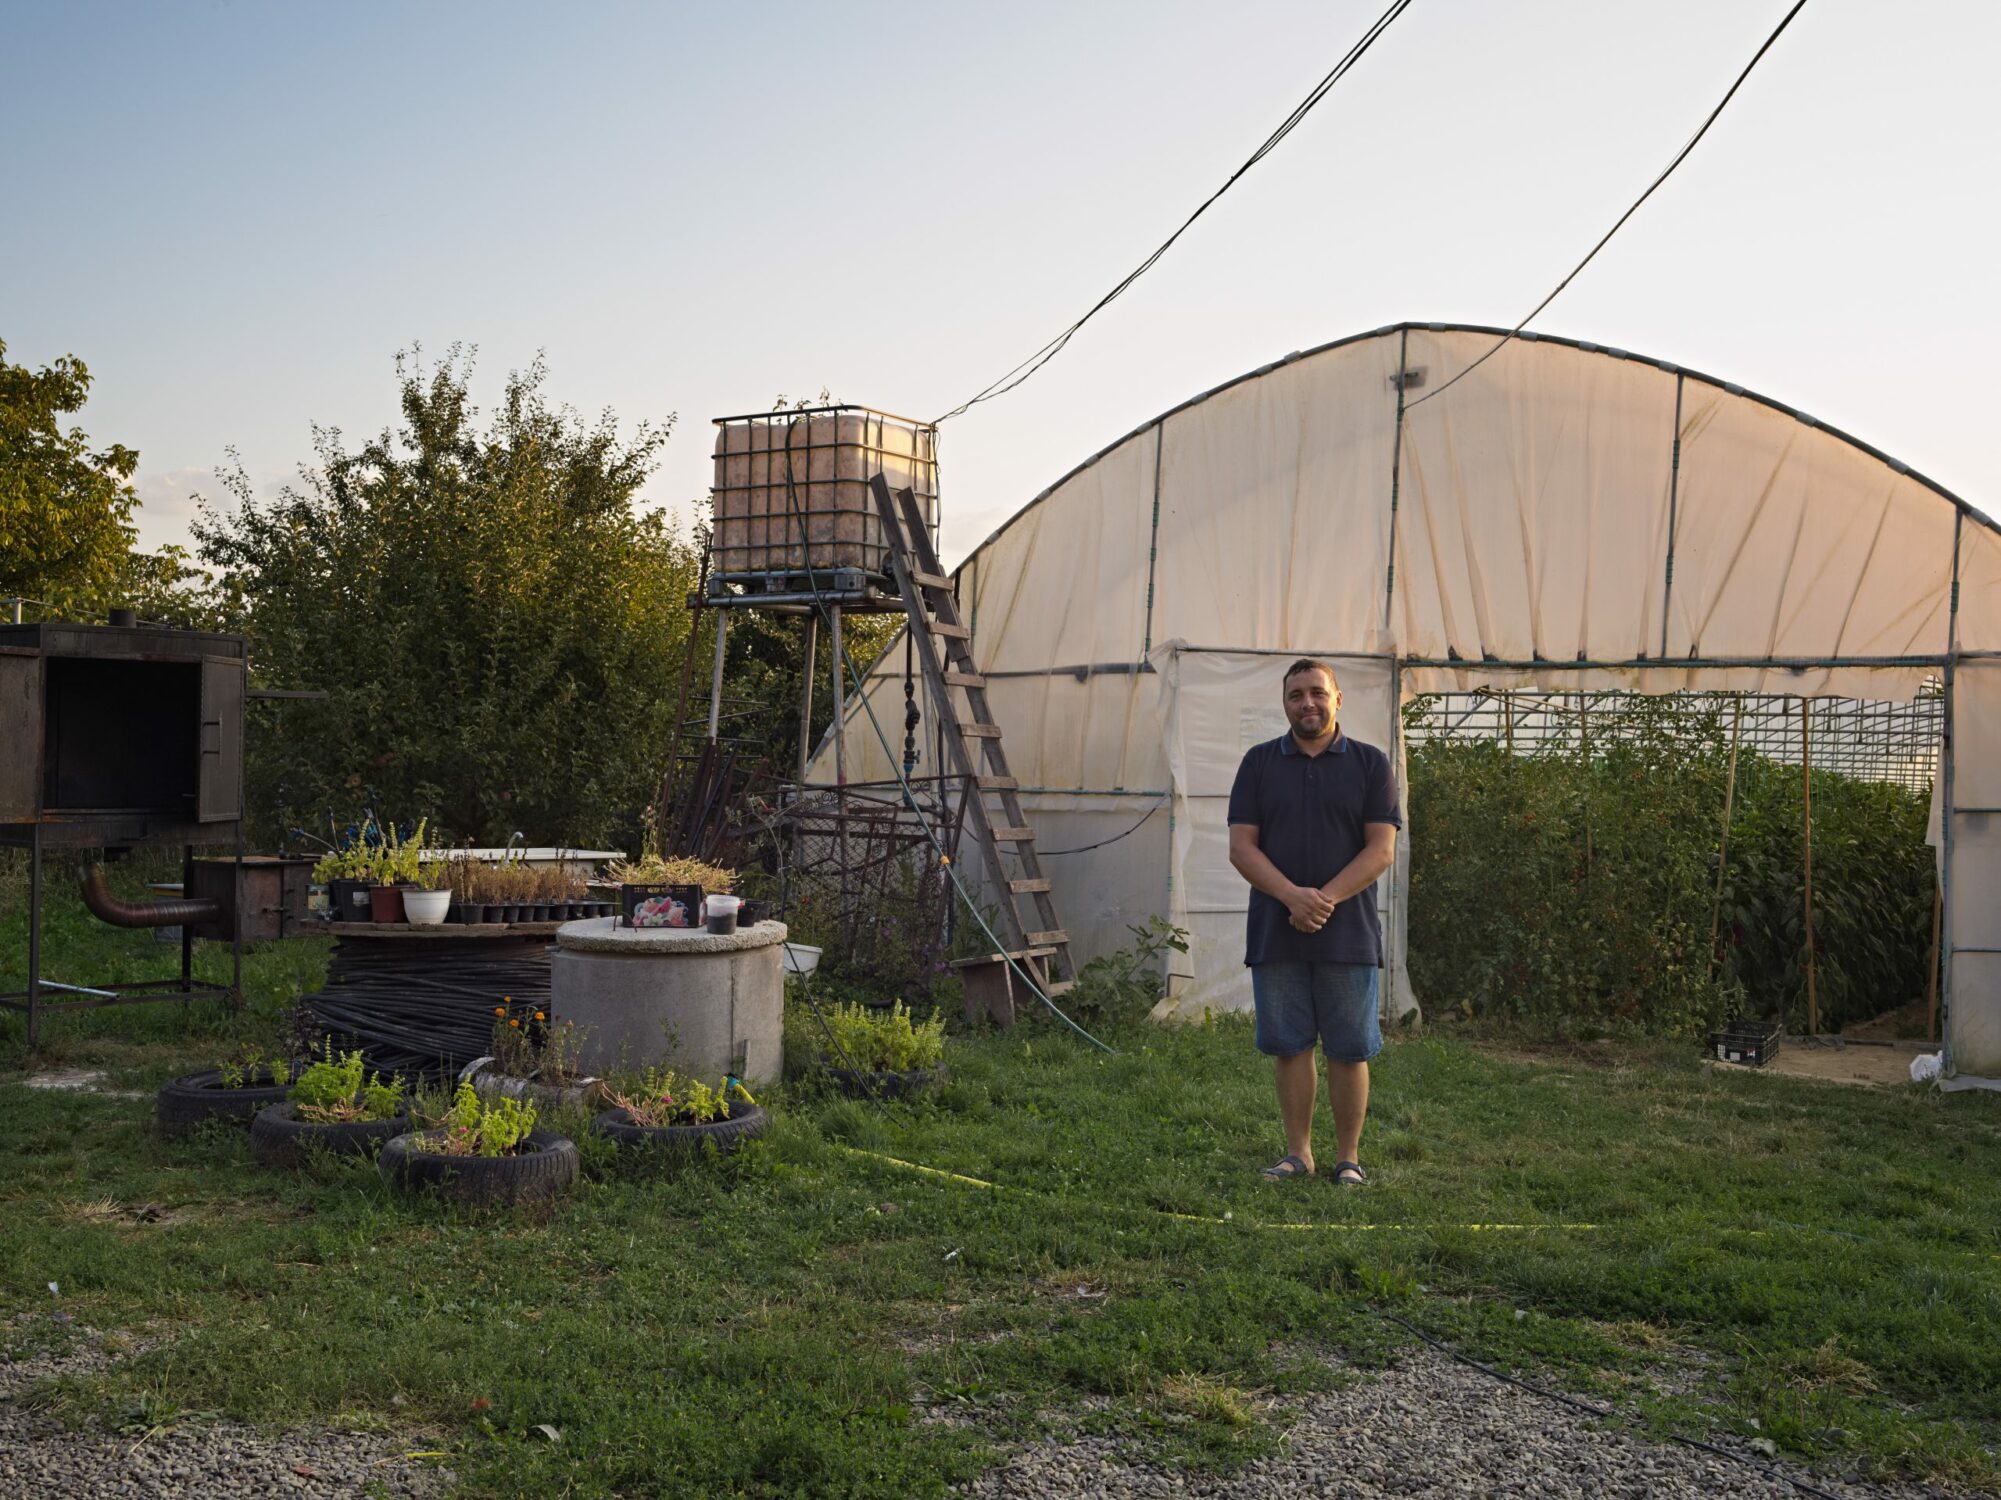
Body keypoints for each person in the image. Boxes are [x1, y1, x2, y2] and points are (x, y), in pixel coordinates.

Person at [1226, 659, 1400, 1185]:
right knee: (1290, 1045)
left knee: (1349, 1047)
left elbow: (1382, 849)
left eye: (1317, 693)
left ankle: (1349, 1158)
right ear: (1285, 703)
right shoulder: (1258, 763)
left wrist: (1321, 900)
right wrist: (1290, 898)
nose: (1308, 703)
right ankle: (1299, 1154)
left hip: (1348, 934)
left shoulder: (1370, 764)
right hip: (1275, 932)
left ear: (1337, 699)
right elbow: (1241, 847)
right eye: (1296, 694)